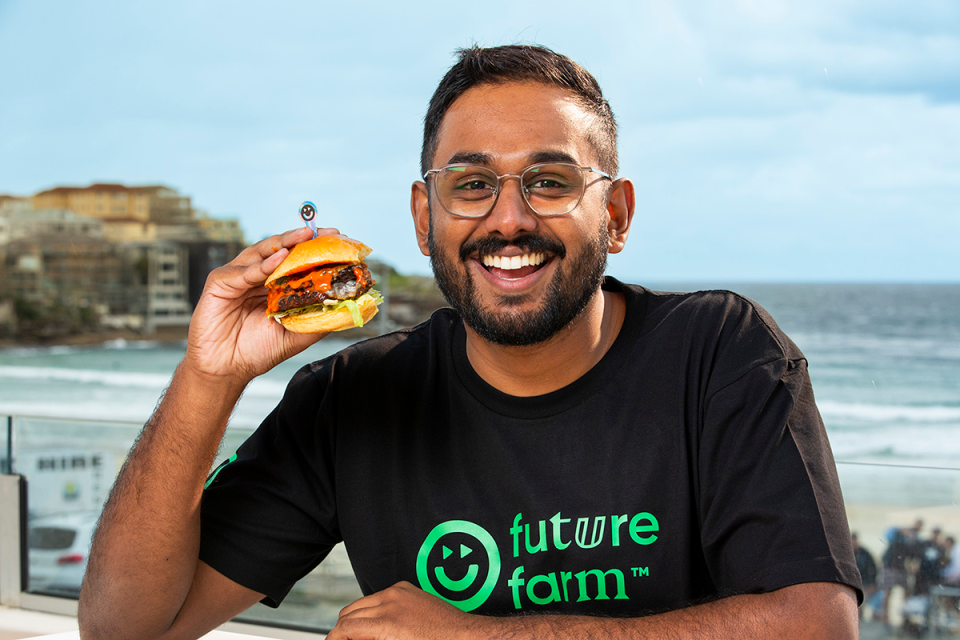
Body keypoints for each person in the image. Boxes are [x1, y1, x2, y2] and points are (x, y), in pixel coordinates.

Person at [78, 44, 861, 639]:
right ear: (425, 219)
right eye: (472, 183)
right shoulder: (354, 397)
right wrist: (208, 376)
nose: (509, 219)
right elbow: (126, 626)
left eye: (551, 182)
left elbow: (816, 622)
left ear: (616, 216)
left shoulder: (718, 350)